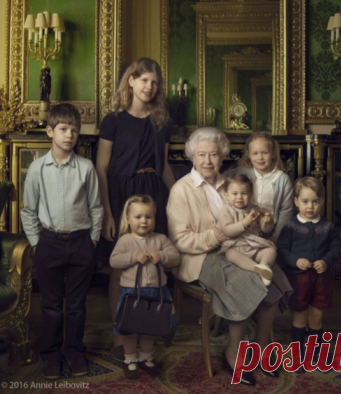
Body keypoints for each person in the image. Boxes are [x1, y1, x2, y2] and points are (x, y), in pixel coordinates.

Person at [167, 127, 293, 386]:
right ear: (192, 156)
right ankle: (233, 352)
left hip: (239, 247)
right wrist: (217, 237)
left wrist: (262, 223)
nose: (208, 161)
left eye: (214, 154)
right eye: (201, 154)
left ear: (222, 156)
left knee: (275, 278)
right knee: (243, 281)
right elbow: (181, 241)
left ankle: (260, 347)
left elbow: (250, 223)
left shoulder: (232, 183)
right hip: (201, 256)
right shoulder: (181, 190)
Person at [96, 58, 175, 359]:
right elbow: (102, 167)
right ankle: (121, 334)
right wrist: (107, 211)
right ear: (130, 81)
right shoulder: (113, 120)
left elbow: (165, 165)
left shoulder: (161, 121)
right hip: (121, 194)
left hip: (153, 191)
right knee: (122, 265)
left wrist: (178, 195)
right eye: (144, 80)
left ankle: (152, 326)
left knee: (155, 262)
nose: (149, 87)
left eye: (154, 82)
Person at [21, 103, 103, 380]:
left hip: (81, 243)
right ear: (50, 132)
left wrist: (92, 241)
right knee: (51, 305)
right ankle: (51, 355)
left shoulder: (86, 167)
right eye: (64, 129)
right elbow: (28, 211)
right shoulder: (36, 169)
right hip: (49, 244)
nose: (69, 135)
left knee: (77, 305)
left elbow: (96, 207)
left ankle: (74, 351)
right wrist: (36, 243)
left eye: (75, 131)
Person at [110, 195, 179, 379]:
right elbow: (114, 260)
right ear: (128, 219)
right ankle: (130, 358)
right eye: (138, 217)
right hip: (132, 293)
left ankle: (146, 358)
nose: (144, 221)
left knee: (150, 328)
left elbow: (175, 257)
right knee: (130, 329)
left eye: (148, 217)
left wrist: (162, 256)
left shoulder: (161, 239)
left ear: (154, 218)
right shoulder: (125, 241)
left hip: (157, 293)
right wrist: (133, 256)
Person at [276, 177, 341, 371]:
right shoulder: (290, 226)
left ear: (321, 201)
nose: (310, 206)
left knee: (317, 317)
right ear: (296, 201)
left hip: (321, 279)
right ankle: (298, 356)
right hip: (299, 280)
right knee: (300, 317)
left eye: (315, 201)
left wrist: (326, 261)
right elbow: (282, 249)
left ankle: (315, 354)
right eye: (305, 201)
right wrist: (295, 260)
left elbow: (337, 248)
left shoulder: (328, 226)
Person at [225, 131, 294, 243]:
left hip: (270, 229)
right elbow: (222, 178)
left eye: (265, 153)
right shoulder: (242, 172)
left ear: (273, 153)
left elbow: (286, 211)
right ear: (249, 154)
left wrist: (277, 235)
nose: (260, 158)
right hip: (244, 226)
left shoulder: (282, 179)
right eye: (255, 153)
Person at [217, 174, 276, 286]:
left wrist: (268, 222)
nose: (239, 197)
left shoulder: (255, 209)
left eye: (244, 193)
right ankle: (257, 269)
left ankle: (264, 266)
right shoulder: (225, 211)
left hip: (254, 247)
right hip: (236, 246)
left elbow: (265, 230)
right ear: (226, 195)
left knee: (271, 250)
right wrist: (244, 223)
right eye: (235, 194)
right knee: (230, 254)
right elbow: (227, 230)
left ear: (251, 194)